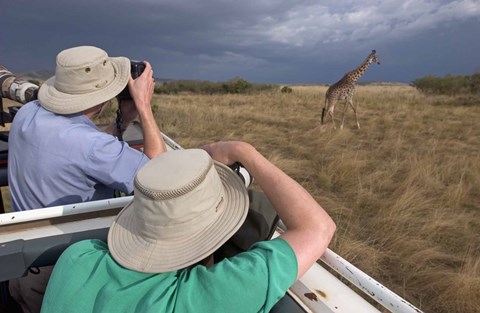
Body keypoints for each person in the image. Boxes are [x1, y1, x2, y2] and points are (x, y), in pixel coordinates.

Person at [40, 141, 336, 313]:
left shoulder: (76, 258)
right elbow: (318, 227)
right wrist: (242, 150)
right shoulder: (200, 297)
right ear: (216, 234)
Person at [7, 45, 167, 313]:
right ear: (103, 97)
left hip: (20, 269)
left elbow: (80, 147)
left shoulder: (28, 113)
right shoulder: (91, 147)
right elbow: (160, 177)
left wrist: (123, 120)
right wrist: (144, 107)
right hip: (61, 275)